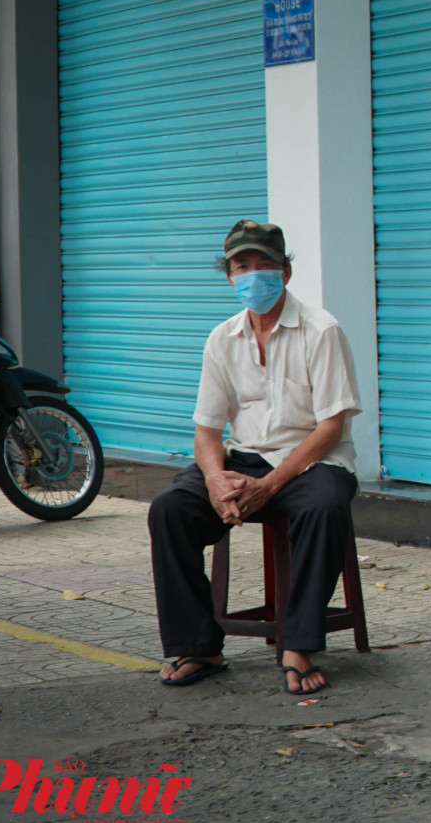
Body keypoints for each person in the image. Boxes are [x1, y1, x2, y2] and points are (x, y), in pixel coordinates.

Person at [148, 219, 363, 694]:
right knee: (170, 510)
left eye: (264, 264)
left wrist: (271, 486)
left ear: (285, 272)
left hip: (313, 461)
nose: (253, 275)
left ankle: (298, 645)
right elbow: (206, 430)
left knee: (325, 508)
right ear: (229, 276)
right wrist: (215, 480)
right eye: (241, 266)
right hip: (244, 460)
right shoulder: (221, 339)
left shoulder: (321, 330)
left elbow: (332, 427)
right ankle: (199, 645)